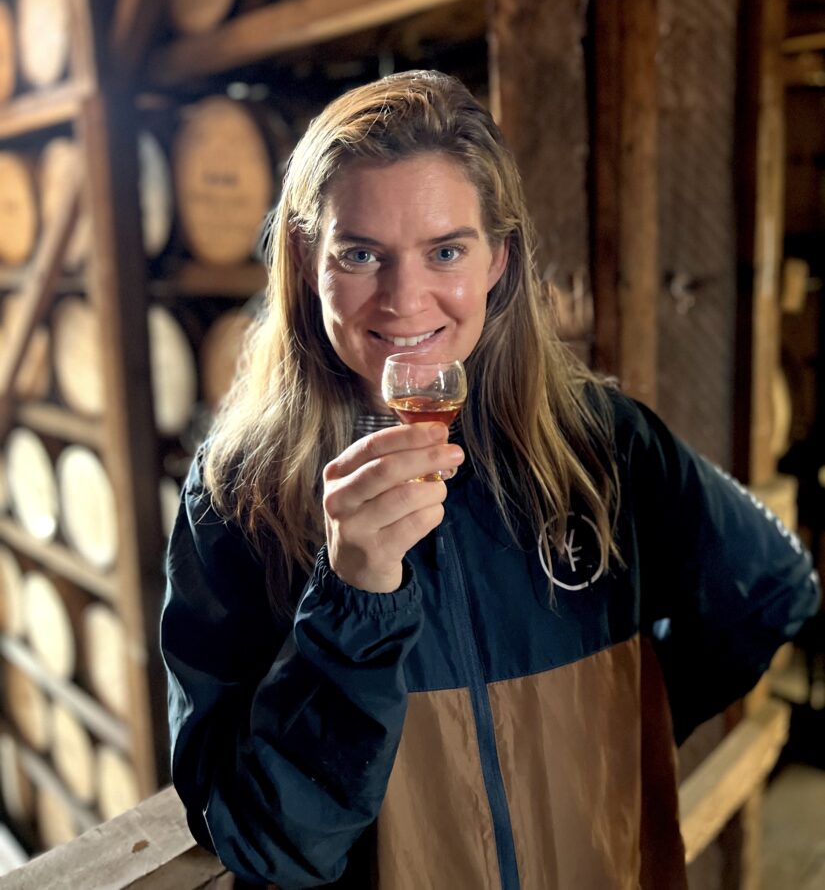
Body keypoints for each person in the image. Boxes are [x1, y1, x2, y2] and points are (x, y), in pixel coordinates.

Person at [161, 70, 820, 890]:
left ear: (498, 260)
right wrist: (354, 602)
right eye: (360, 254)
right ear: (304, 260)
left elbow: (771, 587)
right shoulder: (236, 496)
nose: (405, 301)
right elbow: (260, 844)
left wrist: (618, 732)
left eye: (445, 251)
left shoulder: (600, 443)